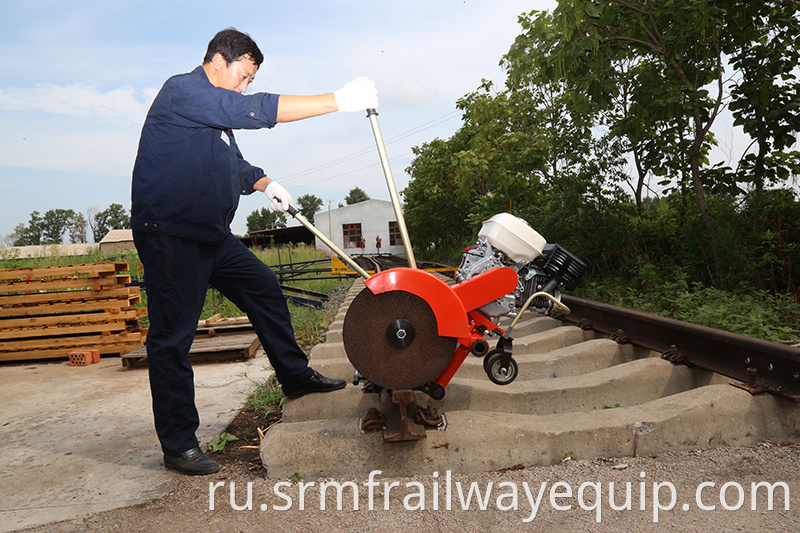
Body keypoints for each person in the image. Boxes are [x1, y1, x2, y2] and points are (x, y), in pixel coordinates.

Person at [131, 28, 378, 476]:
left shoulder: (212, 119)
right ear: (219, 60)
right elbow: (253, 109)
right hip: (170, 235)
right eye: (243, 75)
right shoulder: (183, 90)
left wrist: (263, 183)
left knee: (263, 286)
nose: (245, 85)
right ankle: (179, 444)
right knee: (172, 338)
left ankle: (294, 375)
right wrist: (338, 100)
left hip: (210, 235)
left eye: (250, 79)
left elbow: (232, 163)